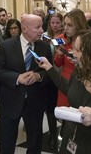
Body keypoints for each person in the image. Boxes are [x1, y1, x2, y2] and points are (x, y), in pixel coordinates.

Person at [0, 14, 52, 154]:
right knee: (7, 138)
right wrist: (17, 78)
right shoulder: (6, 46)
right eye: (37, 27)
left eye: (41, 27)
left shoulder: (44, 47)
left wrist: (39, 76)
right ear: (24, 29)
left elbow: (50, 72)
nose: (41, 31)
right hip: (11, 99)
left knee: (35, 138)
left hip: (35, 100)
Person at [54, 9, 88, 107]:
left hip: (83, 82)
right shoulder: (60, 38)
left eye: (70, 25)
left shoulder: (88, 39)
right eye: (65, 24)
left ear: (79, 25)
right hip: (65, 81)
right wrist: (59, 54)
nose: (65, 28)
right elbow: (57, 64)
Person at [41, 12, 64, 151]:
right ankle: (52, 134)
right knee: (50, 106)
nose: (55, 25)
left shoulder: (65, 37)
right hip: (49, 75)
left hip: (62, 73)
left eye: (57, 23)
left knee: (63, 105)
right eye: (52, 23)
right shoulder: (45, 36)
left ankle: (64, 132)